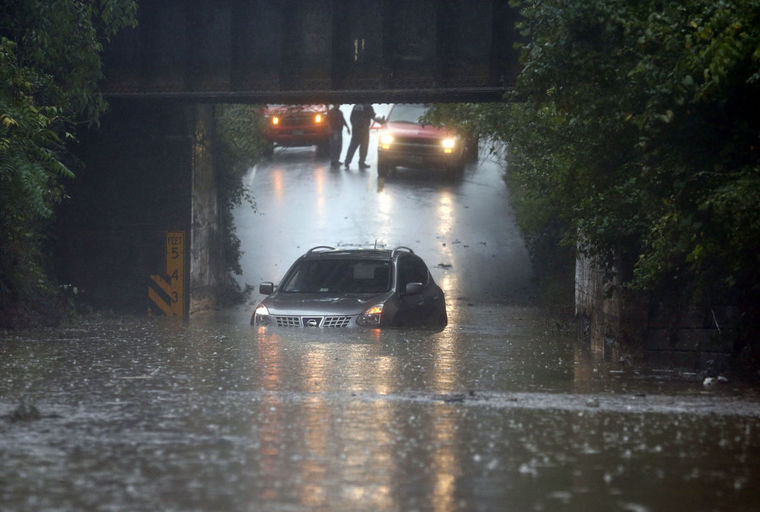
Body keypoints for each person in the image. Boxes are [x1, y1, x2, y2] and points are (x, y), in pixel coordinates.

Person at [344, 104, 383, 169]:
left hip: (355, 129)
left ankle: (347, 161)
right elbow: (373, 116)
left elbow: (351, 118)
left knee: (352, 146)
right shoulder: (367, 106)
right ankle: (361, 162)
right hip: (364, 129)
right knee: (364, 147)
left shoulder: (356, 106)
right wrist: (382, 121)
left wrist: (354, 125)